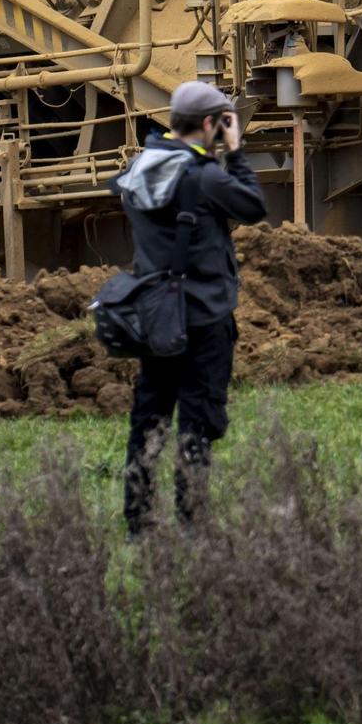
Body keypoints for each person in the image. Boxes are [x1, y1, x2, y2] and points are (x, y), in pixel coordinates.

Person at [110, 79, 267, 536]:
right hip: (204, 317)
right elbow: (254, 206)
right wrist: (234, 151)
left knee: (149, 417)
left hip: (155, 316)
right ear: (209, 124)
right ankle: (193, 522)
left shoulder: (141, 168)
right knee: (198, 420)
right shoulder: (204, 178)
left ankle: (138, 523)